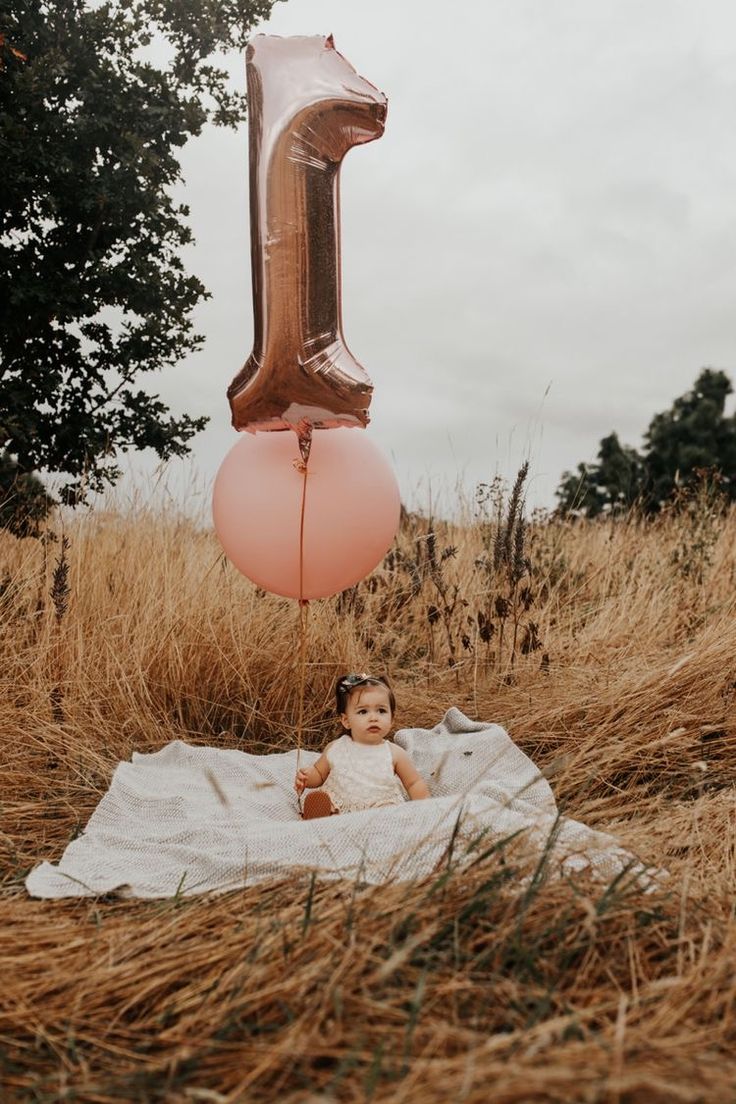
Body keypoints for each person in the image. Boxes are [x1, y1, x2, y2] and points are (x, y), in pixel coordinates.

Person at [294, 673, 430, 818]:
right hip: (341, 805)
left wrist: (425, 807)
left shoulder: (394, 753)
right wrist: (307, 778)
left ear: (391, 719)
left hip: (378, 807)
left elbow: (413, 783)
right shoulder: (336, 747)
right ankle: (322, 815)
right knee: (329, 803)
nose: (373, 718)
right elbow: (319, 773)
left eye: (381, 711)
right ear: (346, 720)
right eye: (363, 711)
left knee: (390, 813)